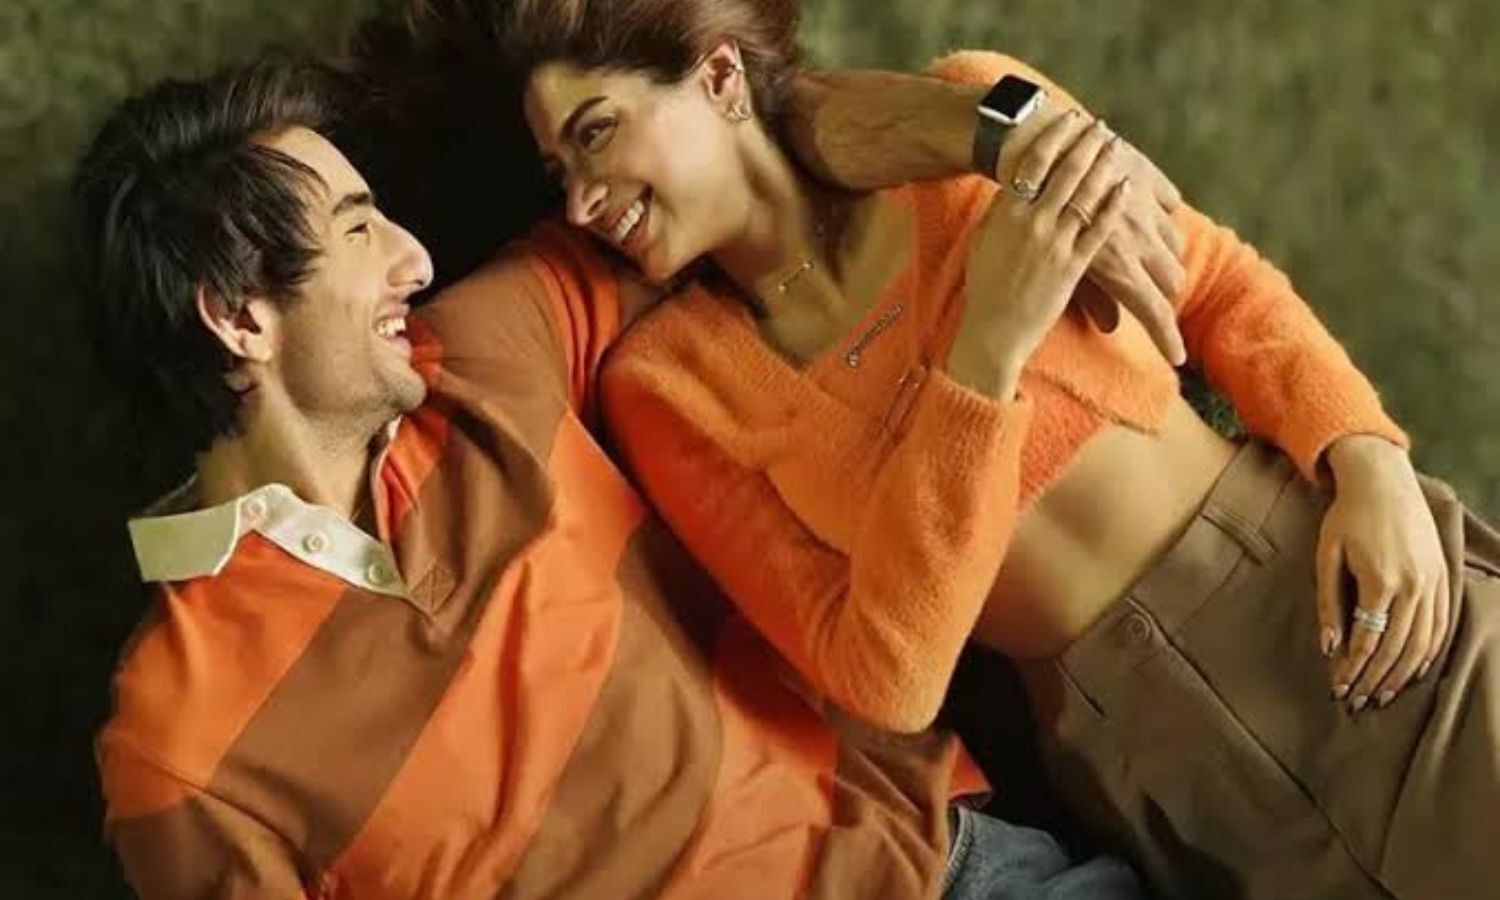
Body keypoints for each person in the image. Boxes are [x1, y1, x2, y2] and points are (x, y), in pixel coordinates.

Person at [77, 56, 1164, 899]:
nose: (416, 258)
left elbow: (728, 152)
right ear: (239, 314)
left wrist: (1005, 132)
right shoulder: (177, 745)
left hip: (940, 875)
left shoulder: (491, 351)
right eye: (359, 227)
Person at [481, 0, 1500, 897]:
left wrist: (1367, 457)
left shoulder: (975, 127)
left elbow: (1216, 287)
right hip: (1166, 776)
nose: (579, 201)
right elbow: (882, 678)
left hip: (1331, 591)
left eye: (596, 133)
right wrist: (983, 356)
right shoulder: (669, 387)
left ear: (717, 77)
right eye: (559, 171)